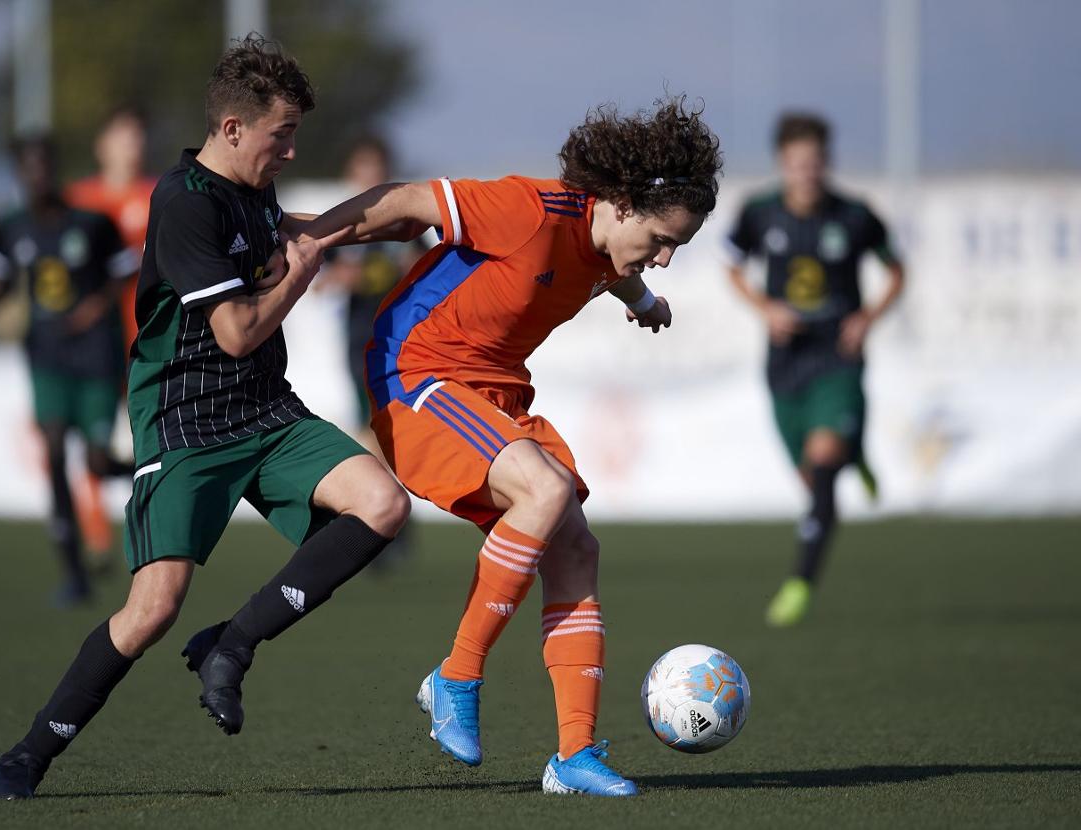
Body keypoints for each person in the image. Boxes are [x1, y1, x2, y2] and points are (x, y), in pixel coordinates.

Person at [0, 34, 409, 800]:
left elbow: (296, 231)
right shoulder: (181, 203)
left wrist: (406, 215)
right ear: (235, 129)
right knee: (151, 609)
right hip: (185, 421)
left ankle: (234, 642)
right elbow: (239, 330)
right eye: (282, 137)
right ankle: (30, 751)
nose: (289, 152)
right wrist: (304, 275)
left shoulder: (251, 189)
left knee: (383, 502)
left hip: (265, 409)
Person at [302, 98, 722, 796]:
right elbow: (408, 201)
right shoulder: (530, 210)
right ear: (618, 203)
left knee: (576, 547)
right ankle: (456, 677)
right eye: (660, 240)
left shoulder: (607, 242)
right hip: (416, 373)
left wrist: (641, 297)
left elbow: (610, 265)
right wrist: (309, 236)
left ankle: (575, 756)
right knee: (546, 490)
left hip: (495, 397)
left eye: (677, 245)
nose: (667, 257)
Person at [724, 113, 905, 627]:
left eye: (815, 162)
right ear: (783, 163)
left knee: (822, 474)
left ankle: (799, 583)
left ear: (827, 162)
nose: (807, 172)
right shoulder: (759, 213)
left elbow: (897, 270)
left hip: (837, 357)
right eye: (797, 163)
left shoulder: (854, 215)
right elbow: (731, 266)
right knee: (812, 477)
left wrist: (867, 317)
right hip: (785, 364)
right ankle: (858, 453)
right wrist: (765, 308)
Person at [0, 135, 139, 605]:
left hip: (95, 358)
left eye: (43, 166)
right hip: (46, 356)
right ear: (19, 174)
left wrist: (95, 307)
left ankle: (138, 472)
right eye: (27, 168)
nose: (36, 176)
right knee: (51, 452)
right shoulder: (9, 226)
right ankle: (73, 571)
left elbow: (123, 272)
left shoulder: (91, 224)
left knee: (93, 461)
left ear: (54, 169)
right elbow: (6, 276)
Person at [321, 135, 427, 567]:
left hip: (396, 339)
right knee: (371, 426)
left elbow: (423, 269)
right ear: (353, 174)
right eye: (362, 167)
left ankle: (382, 519)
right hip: (357, 336)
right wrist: (354, 276)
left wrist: (394, 273)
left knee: (386, 428)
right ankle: (381, 518)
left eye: (376, 167)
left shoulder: (403, 221)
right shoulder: (342, 223)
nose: (370, 176)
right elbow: (324, 277)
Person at [65, 106, 159, 568]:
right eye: (121, 136)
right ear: (102, 145)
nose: (131, 146)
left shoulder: (160, 194)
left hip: (150, 337)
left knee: (151, 438)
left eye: (136, 136)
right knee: (92, 438)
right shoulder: (79, 201)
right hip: (95, 342)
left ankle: (146, 530)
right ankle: (96, 536)